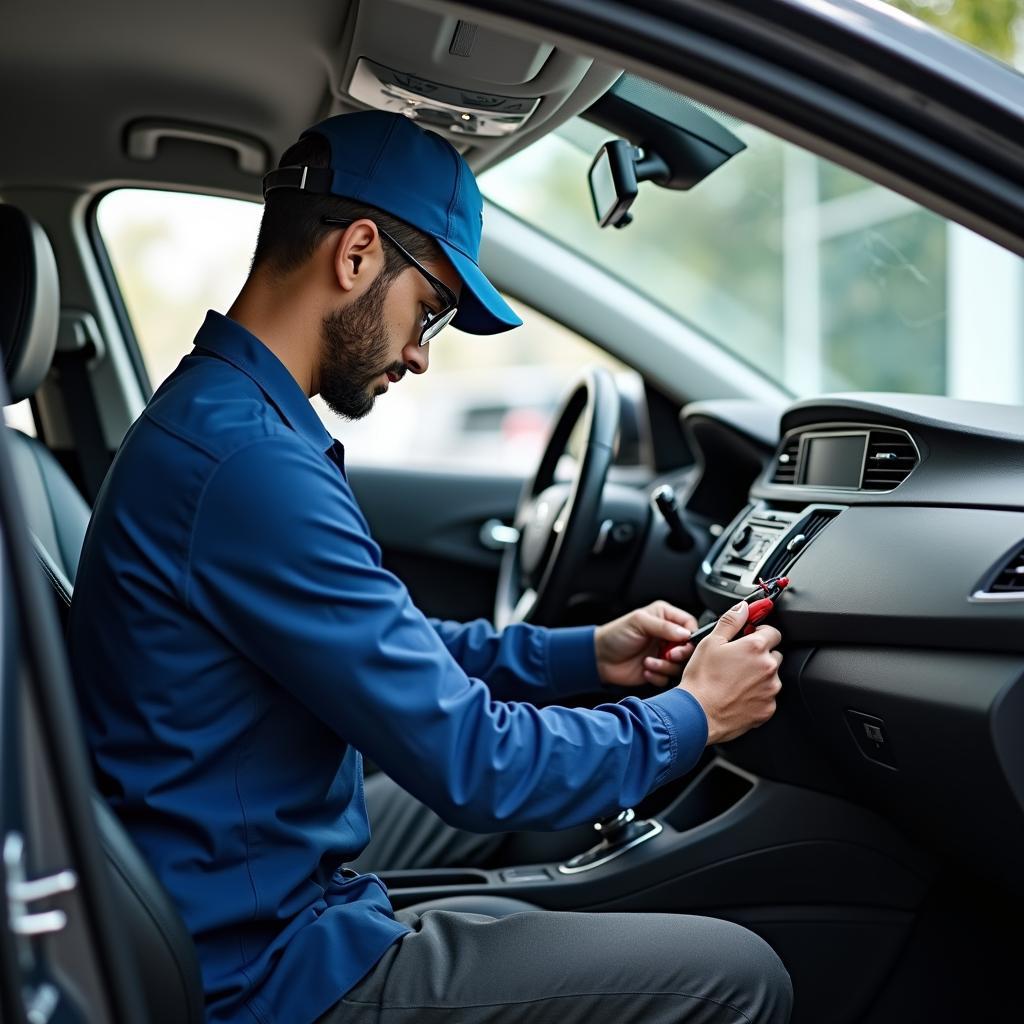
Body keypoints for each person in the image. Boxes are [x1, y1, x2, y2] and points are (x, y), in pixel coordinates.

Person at [68, 110, 792, 1024]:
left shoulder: (220, 419)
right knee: (734, 974)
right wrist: (693, 716)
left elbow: (390, 645)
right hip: (264, 974)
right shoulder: (250, 468)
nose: (417, 352)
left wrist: (584, 657)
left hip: (244, 879)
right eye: (434, 310)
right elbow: (474, 762)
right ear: (358, 253)